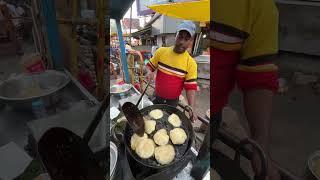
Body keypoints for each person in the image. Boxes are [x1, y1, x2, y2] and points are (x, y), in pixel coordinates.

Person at [212, 0, 280, 179]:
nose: (182, 40)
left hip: (213, 114)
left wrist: (260, 145)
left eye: (186, 37)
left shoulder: (259, 6)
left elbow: (258, 80)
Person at [146, 20, 198, 122]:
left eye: (186, 39)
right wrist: (149, 72)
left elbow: (190, 87)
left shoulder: (191, 63)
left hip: (173, 102)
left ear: (191, 41)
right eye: (180, 37)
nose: (182, 42)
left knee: (167, 124)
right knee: (152, 121)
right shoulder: (161, 52)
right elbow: (149, 67)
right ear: (175, 35)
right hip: (156, 96)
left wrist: (191, 107)